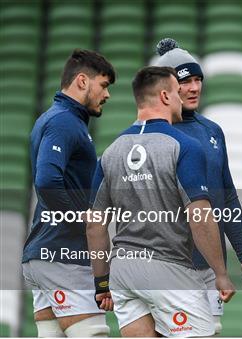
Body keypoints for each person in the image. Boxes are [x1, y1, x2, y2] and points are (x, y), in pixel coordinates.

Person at [86, 66, 236, 337]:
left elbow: (94, 225)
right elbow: (200, 216)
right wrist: (221, 273)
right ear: (166, 96)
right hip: (168, 270)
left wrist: (102, 281)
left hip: (123, 272)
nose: (182, 99)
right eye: (178, 92)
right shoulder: (184, 146)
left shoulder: (110, 152)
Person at [152, 38, 242, 334]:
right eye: (185, 81)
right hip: (167, 266)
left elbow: (227, 198)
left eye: (198, 79)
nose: (194, 88)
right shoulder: (150, 133)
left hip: (210, 267)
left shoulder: (212, 131)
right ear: (167, 87)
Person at [21, 49, 115, 337]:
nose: (107, 95)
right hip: (64, 254)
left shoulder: (56, 119)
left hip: (44, 253)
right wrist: (83, 223)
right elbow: (47, 181)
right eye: (104, 85)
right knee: (93, 333)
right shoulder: (64, 121)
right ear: (82, 81)